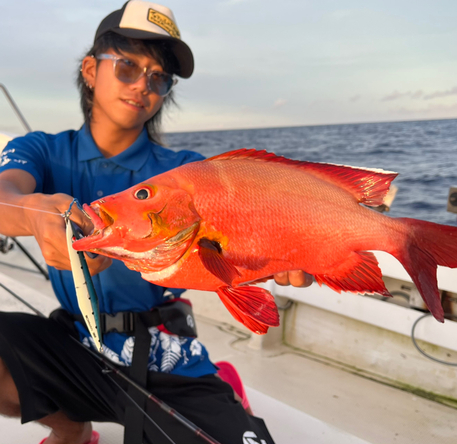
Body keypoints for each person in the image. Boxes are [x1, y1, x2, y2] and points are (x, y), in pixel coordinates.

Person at [0, 2, 312, 443]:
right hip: (74, 340)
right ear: (91, 70)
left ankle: (224, 382)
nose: (143, 84)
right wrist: (34, 214)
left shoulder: (186, 172)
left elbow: (239, 237)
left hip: (167, 352)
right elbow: (4, 194)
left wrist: (289, 250)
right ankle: (72, 429)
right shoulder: (44, 150)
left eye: (158, 76)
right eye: (127, 66)